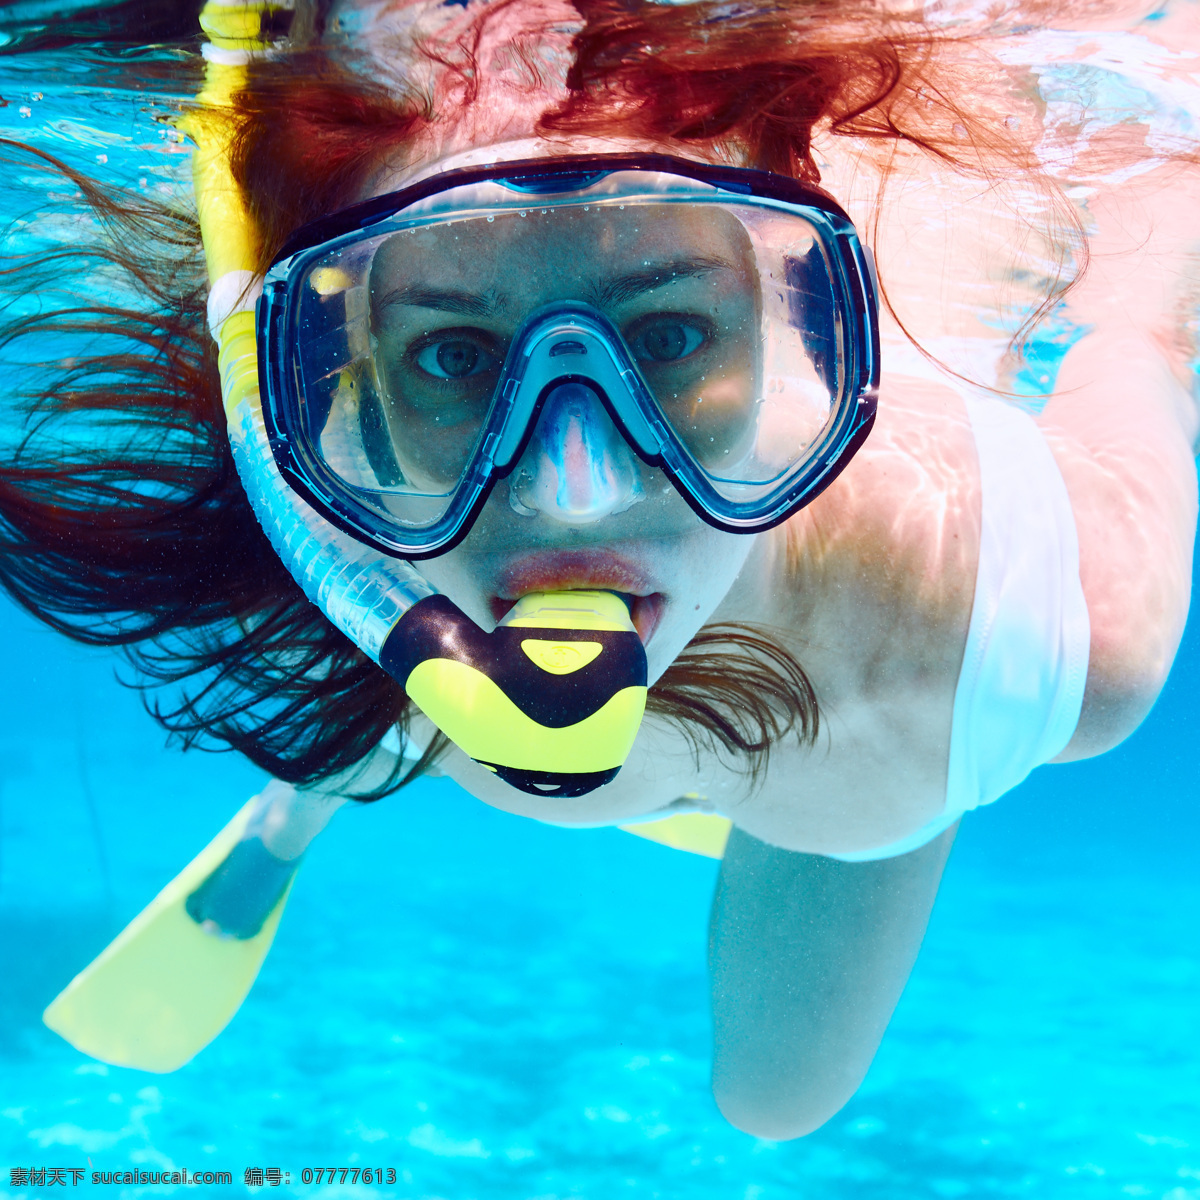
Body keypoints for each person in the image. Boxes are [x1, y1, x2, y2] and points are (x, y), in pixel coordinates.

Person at [4, 0, 1198, 1139]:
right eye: (458, 354)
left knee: (777, 1100)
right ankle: (323, 781)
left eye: (674, 335)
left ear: (799, 325)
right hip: (543, 674)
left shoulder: (1043, 628)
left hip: (875, 703)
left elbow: (1133, 350)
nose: (574, 489)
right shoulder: (354, 512)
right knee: (391, 693)